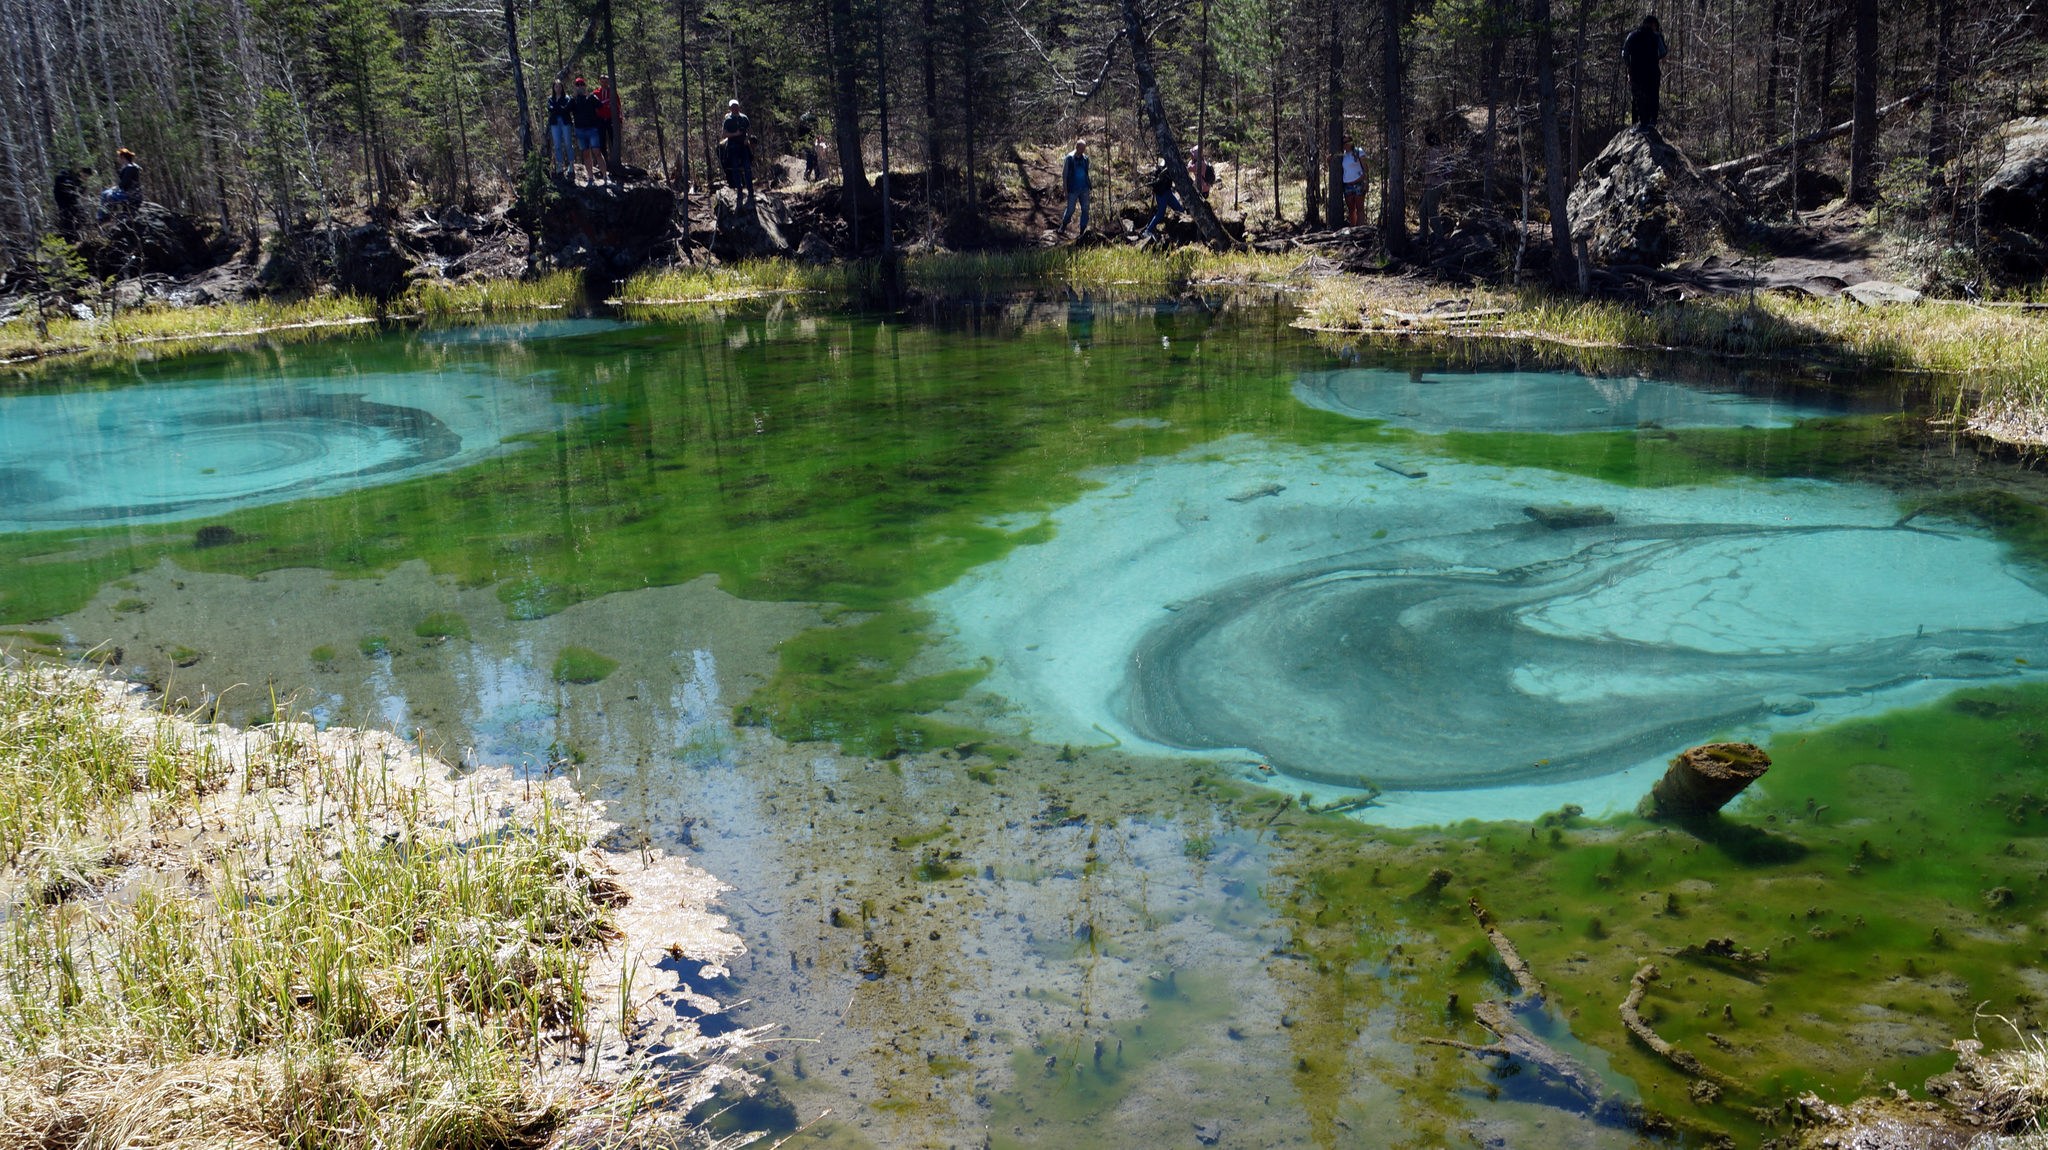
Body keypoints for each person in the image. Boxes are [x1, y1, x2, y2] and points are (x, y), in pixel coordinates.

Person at [1623, 15, 1668, 129]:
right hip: (1652, 71)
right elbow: (1663, 52)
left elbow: (1625, 54)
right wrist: (1654, 58)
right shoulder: (1656, 36)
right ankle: (1652, 122)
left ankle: (1638, 123)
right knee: (1653, 95)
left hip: (1637, 71)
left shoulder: (1632, 36)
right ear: (1653, 25)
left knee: (1638, 98)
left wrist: (1630, 66)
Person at [568, 77, 604, 184]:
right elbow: (567, 109)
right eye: (577, 85)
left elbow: (600, 105)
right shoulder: (574, 100)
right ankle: (590, 177)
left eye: (582, 85)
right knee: (585, 154)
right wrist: (574, 96)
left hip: (592, 128)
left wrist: (589, 95)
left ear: (585, 86)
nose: (580, 87)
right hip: (580, 130)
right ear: (575, 87)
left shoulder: (591, 97)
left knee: (597, 152)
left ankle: (605, 175)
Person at [1421, 131, 1452, 245]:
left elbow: (1434, 169)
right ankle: (1422, 237)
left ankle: (1439, 238)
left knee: (1432, 211)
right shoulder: (1438, 151)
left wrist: (1424, 166)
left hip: (1435, 184)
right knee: (1422, 210)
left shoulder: (1436, 152)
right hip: (1432, 184)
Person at [1141, 159, 1184, 241]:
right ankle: (1148, 231)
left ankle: (1183, 229)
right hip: (1161, 193)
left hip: (1168, 192)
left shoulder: (1171, 164)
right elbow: (1155, 178)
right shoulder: (1163, 166)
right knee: (1161, 213)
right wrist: (1155, 188)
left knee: (1180, 210)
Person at [1058, 138, 1091, 237]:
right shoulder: (1069, 158)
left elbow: (1086, 172)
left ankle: (1082, 231)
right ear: (1076, 147)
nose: (1082, 151)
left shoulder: (1085, 159)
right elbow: (1065, 175)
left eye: (1084, 149)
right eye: (1081, 149)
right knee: (1071, 209)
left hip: (1084, 188)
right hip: (1073, 188)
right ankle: (1063, 225)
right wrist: (1066, 191)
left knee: (1085, 209)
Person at [721, 98, 754, 195]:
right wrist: (735, 134)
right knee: (735, 168)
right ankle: (739, 188)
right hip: (733, 146)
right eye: (732, 106)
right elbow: (724, 134)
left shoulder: (744, 118)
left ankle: (750, 188)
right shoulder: (728, 120)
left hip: (743, 146)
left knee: (747, 167)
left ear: (738, 107)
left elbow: (749, 130)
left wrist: (747, 138)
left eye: (736, 106)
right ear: (730, 108)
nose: (734, 108)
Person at [54, 165, 91, 240]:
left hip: (73, 199)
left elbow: (81, 191)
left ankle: (78, 236)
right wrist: (76, 183)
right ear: (81, 172)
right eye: (85, 176)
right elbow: (64, 185)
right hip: (62, 199)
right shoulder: (66, 175)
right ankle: (69, 239)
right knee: (68, 219)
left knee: (81, 216)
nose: (86, 178)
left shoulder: (79, 180)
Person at [546, 79, 574, 177]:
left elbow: (567, 109)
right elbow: (550, 109)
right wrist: (559, 108)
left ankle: (571, 164)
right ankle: (560, 165)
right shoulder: (550, 99)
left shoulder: (566, 98)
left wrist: (558, 109)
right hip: (555, 123)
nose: (558, 88)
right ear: (553, 88)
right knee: (557, 145)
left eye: (560, 86)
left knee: (568, 143)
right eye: (556, 86)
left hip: (565, 122)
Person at [594, 74, 619, 171]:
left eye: (606, 82)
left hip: (611, 120)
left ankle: (615, 161)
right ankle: (603, 162)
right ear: (599, 82)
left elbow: (618, 107)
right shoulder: (595, 93)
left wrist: (619, 121)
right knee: (601, 141)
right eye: (602, 82)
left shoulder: (613, 93)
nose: (604, 84)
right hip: (599, 120)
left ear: (608, 82)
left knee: (613, 140)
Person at [1340, 142, 1367, 227]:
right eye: (1344, 142)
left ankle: (1361, 229)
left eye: (1348, 141)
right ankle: (1353, 229)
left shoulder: (1358, 151)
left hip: (1358, 184)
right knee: (1351, 209)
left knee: (1360, 208)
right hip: (1347, 185)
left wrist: (1366, 180)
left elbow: (1365, 167)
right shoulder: (1342, 155)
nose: (1346, 144)